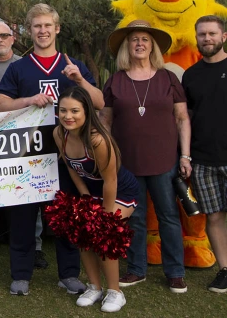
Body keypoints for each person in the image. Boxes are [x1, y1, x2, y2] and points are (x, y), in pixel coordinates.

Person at [0, 3, 103, 296]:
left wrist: (79, 80)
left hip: (67, 156)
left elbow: (99, 102)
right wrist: (28, 100)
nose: (42, 31)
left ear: (56, 28)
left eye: (47, 26)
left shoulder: (73, 65)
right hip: (27, 155)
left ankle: (68, 274)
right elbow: (1, 105)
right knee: (22, 218)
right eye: (36, 26)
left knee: (66, 218)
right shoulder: (19, 68)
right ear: (29, 31)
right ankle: (21, 274)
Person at [100, 20, 190, 293]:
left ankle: (175, 272)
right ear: (127, 46)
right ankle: (136, 269)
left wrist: (185, 156)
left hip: (164, 161)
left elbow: (182, 117)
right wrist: (106, 157)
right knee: (135, 217)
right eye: (134, 39)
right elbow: (105, 120)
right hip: (127, 162)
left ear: (152, 47)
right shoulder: (115, 80)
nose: (139, 43)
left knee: (168, 216)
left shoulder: (167, 78)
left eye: (145, 39)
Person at [54, 86, 139, 312]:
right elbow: (72, 167)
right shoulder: (59, 134)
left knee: (103, 235)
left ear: (86, 112)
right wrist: (84, 195)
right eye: (63, 111)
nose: (68, 116)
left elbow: (111, 181)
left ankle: (115, 292)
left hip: (119, 190)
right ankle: (95, 286)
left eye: (74, 111)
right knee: (82, 232)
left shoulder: (98, 140)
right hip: (91, 190)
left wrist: (104, 217)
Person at [0, 21, 48, 267]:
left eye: (4, 35)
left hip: (24, 141)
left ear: (13, 38)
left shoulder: (26, 66)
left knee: (29, 193)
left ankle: (35, 246)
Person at [182, 15, 227, 293]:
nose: (207, 38)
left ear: (224, 36)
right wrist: (185, 156)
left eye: (212, 33)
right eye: (202, 35)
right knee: (213, 217)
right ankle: (225, 268)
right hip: (203, 159)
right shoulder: (191, 75)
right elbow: (185, 117)